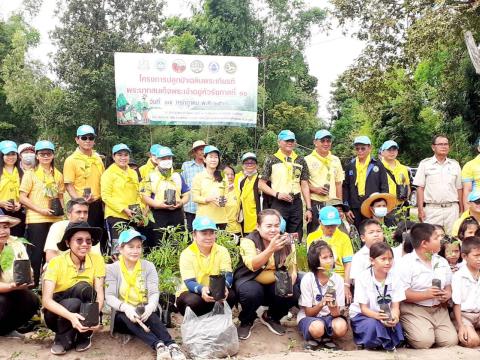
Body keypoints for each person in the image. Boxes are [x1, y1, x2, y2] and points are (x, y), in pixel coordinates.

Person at [105, 229, 185, 360]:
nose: (135, 251)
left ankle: (172, 346)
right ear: (120, 248)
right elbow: (109, 296)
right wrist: (126, 307)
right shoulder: (113, 269)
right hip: (122, 315)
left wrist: (151, 306)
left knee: (150, 314)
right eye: (130, 247)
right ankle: (158, 345)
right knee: (126, 315)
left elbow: (154, 292)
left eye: (138, 247)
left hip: (144, 310)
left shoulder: (148, 266)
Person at [234, 209, 299, 340]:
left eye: (276, 225)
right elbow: (253, 265)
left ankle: (271, 316)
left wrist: (290, 283)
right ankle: (247, 319)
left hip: (274, 279)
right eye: (268, 226)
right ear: (258, 227)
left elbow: (293, 268)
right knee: (251, 293)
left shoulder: (287, 240)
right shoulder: (248, 241)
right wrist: (271, 249)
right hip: (250, 278)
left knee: (293, 292)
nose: (273, 230)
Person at [42, 222, 105, 355]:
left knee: (86, 289)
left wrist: (95, 316)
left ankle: (84, 334)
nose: (85, 244)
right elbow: (46, 301)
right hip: (56, 314)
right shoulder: (56, 262)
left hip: (85, 309)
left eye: (88, 241)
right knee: (75, 300)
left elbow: (99, 292)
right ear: (67, 243)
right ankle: (62, 339)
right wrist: (71, 317)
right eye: (79, 240)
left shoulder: (97, 260)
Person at [397, 223, 458, 349]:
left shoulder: (441, 261)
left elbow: (448, 285)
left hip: (439, 309)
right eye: (436, 238)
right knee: (423, 342)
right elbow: (401, 293)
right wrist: (426, 294)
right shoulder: (406, 263)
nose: (440, 240)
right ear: (424, 243)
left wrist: (447, 294)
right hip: (414, 308)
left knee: (450, 342)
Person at [20, 140, 65, 286]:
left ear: (53, 155)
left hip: (55, 220)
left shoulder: (57, 174)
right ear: (37, 156)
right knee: (36, 254)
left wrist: (63, 214)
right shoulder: (30, 174)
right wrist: (40, 210)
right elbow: (22, 197)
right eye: (42, 153)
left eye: (49, 153)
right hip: (36, 219)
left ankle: (50, 285)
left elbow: (60, 196)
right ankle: (33, 285)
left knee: (53, 253)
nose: (46, 156)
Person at [349, 242, 405, 350]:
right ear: (372, 260)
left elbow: (395, 306)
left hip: (386, 314)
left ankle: (385, 341)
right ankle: (373, 342)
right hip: (364, 315)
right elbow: (363, 308)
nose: (387, 262)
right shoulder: (363, 277)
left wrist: (395, 317)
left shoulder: (396, 277)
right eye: (383, 259)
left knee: (394, 325)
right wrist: (377, 316)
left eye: (390, 259)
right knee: (373, 325)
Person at [176, 216, 235, 316]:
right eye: (204, 233)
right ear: (194, 235)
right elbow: (189, 282)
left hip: (216, 290)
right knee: (192, 301)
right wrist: (202, 289)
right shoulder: (186, 254)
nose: (209, 237)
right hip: (193, 292)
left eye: (212, 233)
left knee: (230, 295)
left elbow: (228, 275)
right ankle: (198, 324)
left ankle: (217, 322)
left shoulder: (222, 251)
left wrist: (224, 287)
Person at [259, 130, 312, 240]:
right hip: (279, 202)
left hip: (296, 202)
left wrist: (309, 208)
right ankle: (277, 256)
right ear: (279, 142)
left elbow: (304, 184)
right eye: (287, 140)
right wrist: (277, 194)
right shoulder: (271, 159)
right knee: (278, 232)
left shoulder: (300, 160)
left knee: (295, 237)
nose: (290, 143)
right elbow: (261, 184)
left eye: (292, 140)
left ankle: (293, 257)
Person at [297, 241, 348, 347]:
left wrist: (333, 308)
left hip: (330, 317)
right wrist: (322, 303)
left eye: (331, 257)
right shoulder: (308, 279)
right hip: (310, 317)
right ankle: (318, 336)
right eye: (324, 258)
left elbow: (337, 314)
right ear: (315, 261)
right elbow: (309, 313)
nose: (329, 260)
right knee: (317, 328)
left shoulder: (337, 279)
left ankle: (326, 337)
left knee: (341, 327)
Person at [63, 125, 105, 248]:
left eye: (90, 138)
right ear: (77, 140)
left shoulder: (98, 159)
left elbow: (102, 181)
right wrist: (79, 202)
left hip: (97, 204)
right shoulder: (71, 160)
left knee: (98, 239)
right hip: (81, 206)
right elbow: (69, 185)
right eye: (84, 137)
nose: (87, 140)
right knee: (82, 239)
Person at [141, 146, 189, 249]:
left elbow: (186, 194)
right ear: (157, 160)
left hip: (176, 212)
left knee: (177, 241)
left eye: (169, 158)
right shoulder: (150, 176)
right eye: (163, 158)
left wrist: (181, 203)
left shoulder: (177, 175)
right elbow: (145, 196)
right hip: (158, 214)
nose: (167, 161)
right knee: (159, 242)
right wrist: (157, 204)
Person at [0, 213, 39, 338]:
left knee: (31, 300)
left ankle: (6, 329)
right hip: (5, 289)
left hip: (12, 287)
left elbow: (26, 267)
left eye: (5, 227)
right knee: (2, 302)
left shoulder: (15, 243)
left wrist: (28, 277)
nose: (3, 231)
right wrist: (11, 286)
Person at [414, 134, 463, 234]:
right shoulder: (425, 164)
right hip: (432, 209)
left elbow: (459, 188)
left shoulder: (455, 165)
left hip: (452, 209)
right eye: (440, 144)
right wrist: (420, 210)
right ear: (433, 147)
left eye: (446, 144)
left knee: (452, 239)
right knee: (432, 239)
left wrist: (461, 209)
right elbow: (420, 188)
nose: (444, 146)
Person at [101, 144, 143, 255]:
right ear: (114, 157)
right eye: (119, 155)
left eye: (126, 155)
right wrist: (123, 209)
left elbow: (138, 193)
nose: (123, 158)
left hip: (132, 216)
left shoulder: (133, 173)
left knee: (133, 248)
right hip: (116, 216)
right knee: (118, 249)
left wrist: (139, 213)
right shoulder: (108, 174)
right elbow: (106, 196)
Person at [306, 206, 353, 303]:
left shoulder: (344, 237)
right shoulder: (312, 237)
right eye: (328, 225)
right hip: (319, 276)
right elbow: (312, 262)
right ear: (320, 222)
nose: (331, 228)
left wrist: (346, 285)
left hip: (339, 277)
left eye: (334, 225)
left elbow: (348, 263)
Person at [343, 136, 389, 228]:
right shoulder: (350, 165)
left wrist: (382, 207)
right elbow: (346, 188)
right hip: (355, 206)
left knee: (373, 230)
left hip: (372, 205)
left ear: (370, 148)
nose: (360, 151)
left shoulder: (377, 164)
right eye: (357, 148)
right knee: (358, 232)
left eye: (363, 148)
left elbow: (384, 186)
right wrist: (347, 208)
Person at [305, 130, 344, 234]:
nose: (326, 144)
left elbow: (338, 183)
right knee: (315, 233)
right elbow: (302, 184)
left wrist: (340, 205)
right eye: (322, 141)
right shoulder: (307, 160)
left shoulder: (336, 160)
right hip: (315, 202)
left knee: (334, 233)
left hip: (332, 203)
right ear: (315, 142)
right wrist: (315, 189)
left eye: (328, 141)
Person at [44, 198, 101, 263]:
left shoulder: (92, 231)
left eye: (85, 212)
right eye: (78, 212)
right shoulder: (58, 227)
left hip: (85, 268)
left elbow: (96, 258)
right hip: (61, 267)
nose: (82, 216)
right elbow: (50, 256)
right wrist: (71, 267)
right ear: (68, 215)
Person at [452, 236, 480, 348]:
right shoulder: (458, 276)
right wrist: (461, 326)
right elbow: (456, 303)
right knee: (472, 341)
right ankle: (468, 331)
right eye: (476, 256)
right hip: (464, 315)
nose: (479, 259)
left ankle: (475, 332)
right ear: (464, 256)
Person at [191, 146, 228, 229]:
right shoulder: (198, 177)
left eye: (216, 157)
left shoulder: (223, 176)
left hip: (221, 219)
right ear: (204, 159)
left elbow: (226, 194)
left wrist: (225, 200)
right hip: (204, 220)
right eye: (211, 157)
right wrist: (207, 199)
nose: (214, 159)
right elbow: (195, 197)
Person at [0, 141, 25, 237]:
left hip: (18, 213)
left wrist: (21, 204)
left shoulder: (22, 173)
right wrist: (1, 203)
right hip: (1, 212)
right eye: (7, 154)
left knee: (17, 241)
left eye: (13, 154)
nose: (11, 157)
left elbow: (27, 193)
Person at [181, 140, 206, 231]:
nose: (203, 152)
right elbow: (182, 186)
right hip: (191, 206)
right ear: (194, 152)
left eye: (204, 149)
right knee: (191, 232)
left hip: (206, 206)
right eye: (200, 149)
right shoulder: (186, 166)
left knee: (204, 231)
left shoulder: (209, 166)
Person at [235, 152, 260, 235]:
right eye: (246, 163)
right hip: (246, 221)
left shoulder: (261, 180)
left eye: (252, 162)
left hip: (258, 221)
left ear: (256, 165)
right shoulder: (242, 182)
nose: (249, 165)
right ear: (243, 166)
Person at [380, 140, 411, 208]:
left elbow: (407, 187)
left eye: (394, 149)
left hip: (400, 207)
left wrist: (404, 201)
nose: (392, 152)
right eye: (389, 150)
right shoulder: (377, 168)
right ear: (382, 152)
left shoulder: (403, 168)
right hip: (384, 207)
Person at [461, 139, 480, 210]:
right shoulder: (470, 165)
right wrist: (468, 214)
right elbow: (467, 190)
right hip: (477, 205)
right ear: (478, 148)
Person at [223, 165, 242, 235]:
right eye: (227, 174)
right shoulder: (219, 191)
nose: (230, 176)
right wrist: (226, 190)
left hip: (237, 228)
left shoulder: (238, 190)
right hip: (224, 230)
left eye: (232, 174)